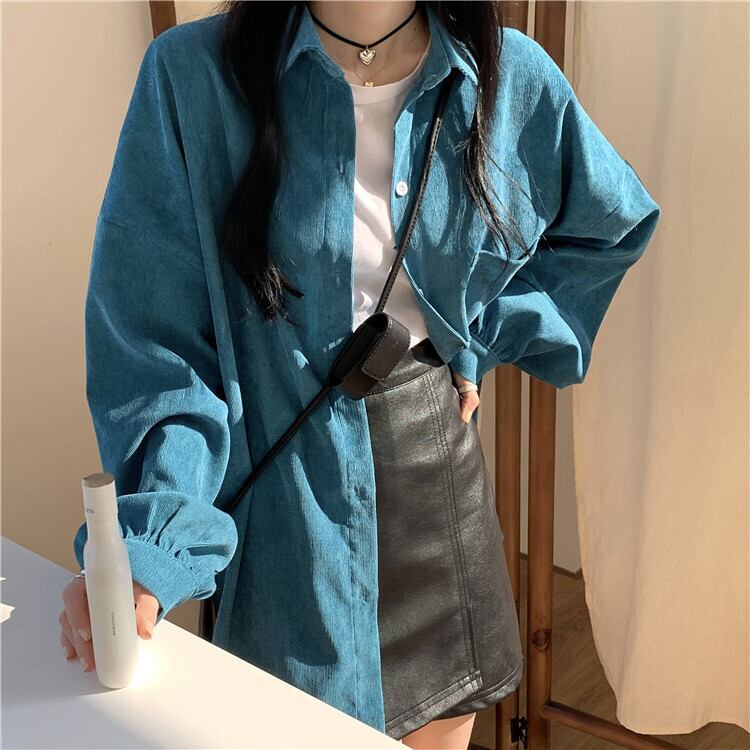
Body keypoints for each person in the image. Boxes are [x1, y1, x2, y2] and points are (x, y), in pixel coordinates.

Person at [58, 2, 661, 748]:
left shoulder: (504, 75)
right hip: (288, 514)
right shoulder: (193, 76)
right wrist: (155, 538)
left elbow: (607, 224)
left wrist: (474, 334)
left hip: (435, 497)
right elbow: (155, 343)